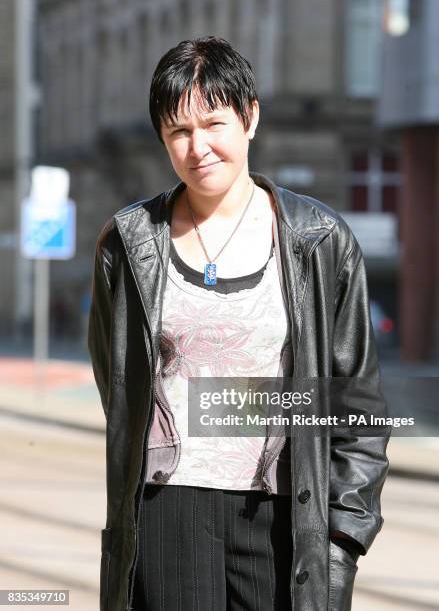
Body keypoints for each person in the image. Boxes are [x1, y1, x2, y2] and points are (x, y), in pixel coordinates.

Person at [88, 36, 390, 611]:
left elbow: (359, 406)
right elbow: (118, 379)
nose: (198, 146)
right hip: (168, 509)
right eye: (179, 131)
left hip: (287, 517)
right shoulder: (128, 244)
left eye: (214, 123)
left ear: (250, 119)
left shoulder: (320, 241)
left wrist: (345, 535)